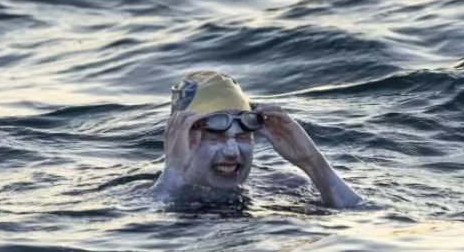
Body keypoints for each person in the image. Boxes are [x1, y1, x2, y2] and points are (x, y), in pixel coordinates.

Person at [150, 71, 361, 208]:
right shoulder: (140, 197)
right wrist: (174, 169)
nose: (232, 152)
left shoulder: (283, 186)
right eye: (215, 137)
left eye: (243, 136)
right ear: (179, 140)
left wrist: (313, 163)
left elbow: (358, 215)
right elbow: (154, 232)